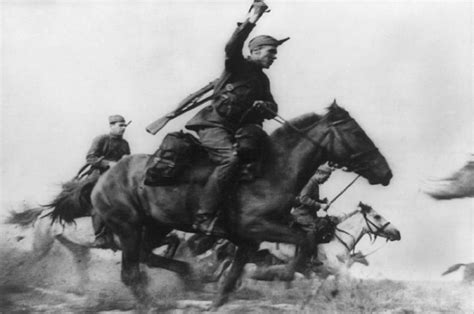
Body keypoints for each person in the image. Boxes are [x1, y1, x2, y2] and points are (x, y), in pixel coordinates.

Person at [185, 0, 289, 236]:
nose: (274, 57)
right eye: (271, 52)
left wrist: (266, 106)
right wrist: (253, 18)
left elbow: (273, 108)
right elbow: (232, 46)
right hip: (213, 124)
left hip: (236, 130)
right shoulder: (237, 65)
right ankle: (203, 218)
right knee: (229, 161)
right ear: (255, 51)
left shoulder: (262, 80)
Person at [85, 114, 131, 248]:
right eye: (120, 125)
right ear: (111, 126)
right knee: (98, 204)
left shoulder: (125, 144)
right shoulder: (101, 139)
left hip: (116, 179)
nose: (123, 128)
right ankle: (100, 237)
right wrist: (108, 163)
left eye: (125, 125)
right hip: (98, 177)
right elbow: (90, 158)